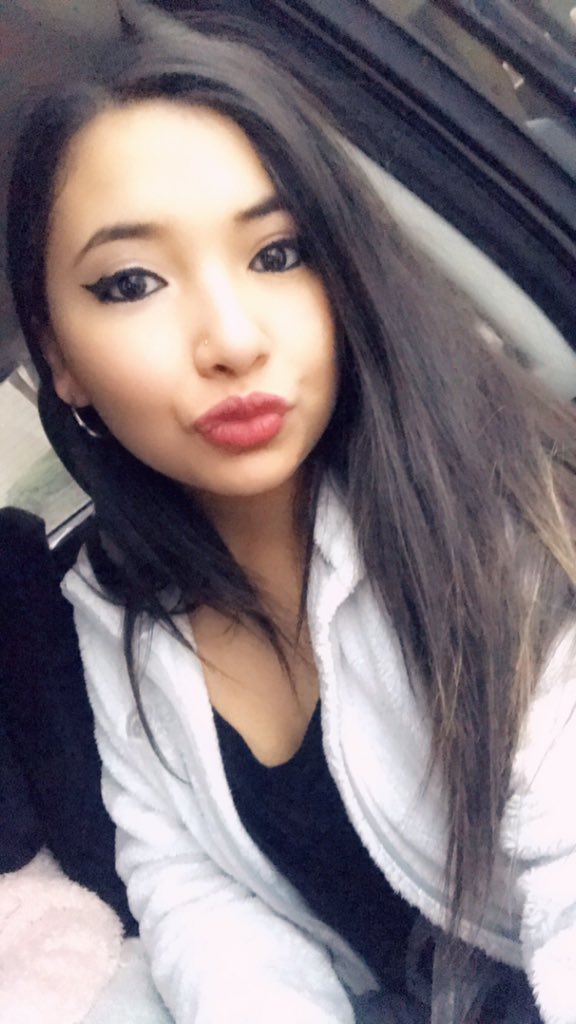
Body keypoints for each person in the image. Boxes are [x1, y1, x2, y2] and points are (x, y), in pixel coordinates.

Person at [6, 5, 576, 1022]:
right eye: (132, 282)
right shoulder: (111, 601)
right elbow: (189, 888)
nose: (232, 338)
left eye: (276, 255)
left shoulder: (501, 509)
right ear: (60, 359)